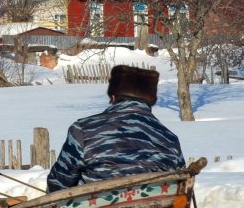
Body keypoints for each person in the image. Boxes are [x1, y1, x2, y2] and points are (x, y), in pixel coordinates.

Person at [47, 64, 185, 192]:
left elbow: (58, 184)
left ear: (113, 97)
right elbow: (180, 187)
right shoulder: (170, 139)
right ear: (151, 102)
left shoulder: (83, 130)